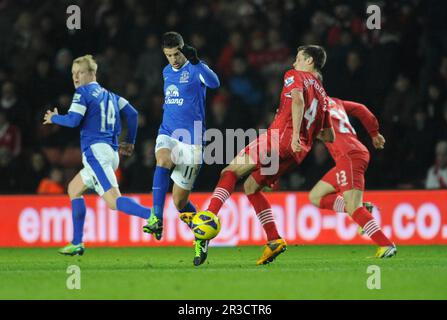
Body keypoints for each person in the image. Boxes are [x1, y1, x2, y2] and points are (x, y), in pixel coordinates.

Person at [181, 45, 335, 266]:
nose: (294, 63)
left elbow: (298, 100)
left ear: (309, 61)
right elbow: (328, 136)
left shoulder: (295, 75)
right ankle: (273, 239)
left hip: (280, 138)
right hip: (297, 152)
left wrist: (293, 134)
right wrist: (302, 136)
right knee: (251, 187)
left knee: (231, 170)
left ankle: (208, 215)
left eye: (298, 58)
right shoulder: (323, 96)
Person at [43, 54, 153, 256]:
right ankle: (77, 242)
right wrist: (130, 142)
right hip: (110, 153)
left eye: (80, 72)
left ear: (92, 73)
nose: (75, 77)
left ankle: (152, 216)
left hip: (96, 153)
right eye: (73, 73)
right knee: (74, 188)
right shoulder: (112, 96)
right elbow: (133, 114)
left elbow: (74, 120)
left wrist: (54, 118)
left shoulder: (83, 93)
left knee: (113, 201)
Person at [142, 32, 220, 241]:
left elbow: (215, 84)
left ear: (183, 49)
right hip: (168, 131)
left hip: (191, 139)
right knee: (163, 159)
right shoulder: (166, 71)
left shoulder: (195, 69)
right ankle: (156, 218)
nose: (173, 60)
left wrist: (197, 62)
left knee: (179, 202)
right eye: (168, 55)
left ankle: (201, 237)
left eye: (176, 54)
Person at [308, 97, 397, 258]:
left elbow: (323, 134)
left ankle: (386, 244)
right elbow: (361, 109)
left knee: (354, 207)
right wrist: (374, 133)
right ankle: (362, 207)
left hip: (348, 155)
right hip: (352, 154)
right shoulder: (335, 102)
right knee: (316, 196)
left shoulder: (314, 108)